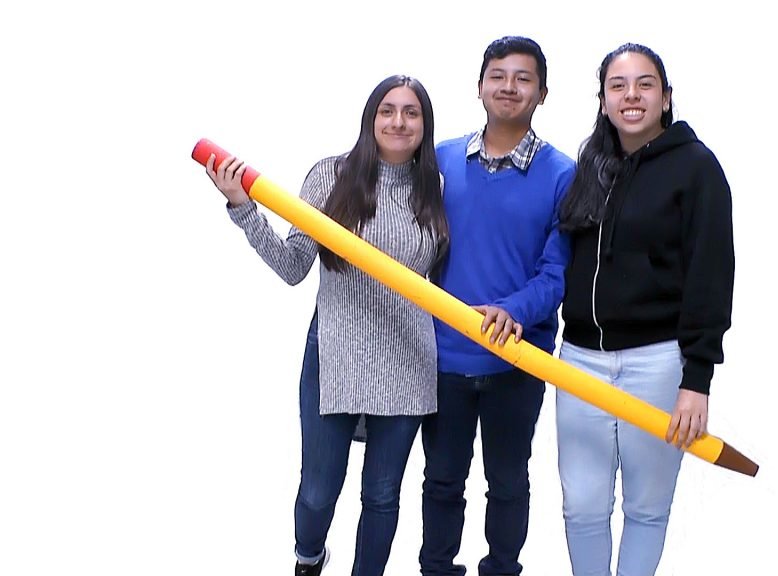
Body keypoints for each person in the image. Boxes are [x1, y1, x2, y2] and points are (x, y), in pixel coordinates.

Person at [204, 75, 449, 576]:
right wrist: (244, 208)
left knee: (381, 495)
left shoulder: (438, 187)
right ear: (370, 118)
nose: (398, 122)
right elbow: (293, 266)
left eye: (412, 113)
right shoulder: (331, 176)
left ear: (425, 125)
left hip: (408, 360)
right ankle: (309, 558)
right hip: (337, 351)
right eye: (387, 110)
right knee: (318, 492)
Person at [556, 43, 735, 576]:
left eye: (644, 84)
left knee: (647, 508)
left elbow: (711, 274)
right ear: (603, 100)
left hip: (657, 363)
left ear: (666, 97)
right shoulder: (591, 167)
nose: (631, 96)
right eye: (618, 86)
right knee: (582, 507)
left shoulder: (697, 168)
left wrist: (696, 379)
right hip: (579, 361)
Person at [419, 36, 575, 576]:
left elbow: (557, 273)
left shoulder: (563, 174)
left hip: (518, 359)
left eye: (523, 78)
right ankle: (436, 568)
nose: (509, 87)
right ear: (480, 86)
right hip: (443, 357)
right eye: (498, 76)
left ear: (542, 93)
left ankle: (503, 569)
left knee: (508, 483)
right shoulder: (440, 161)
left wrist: (513, 310)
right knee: (441, 480)